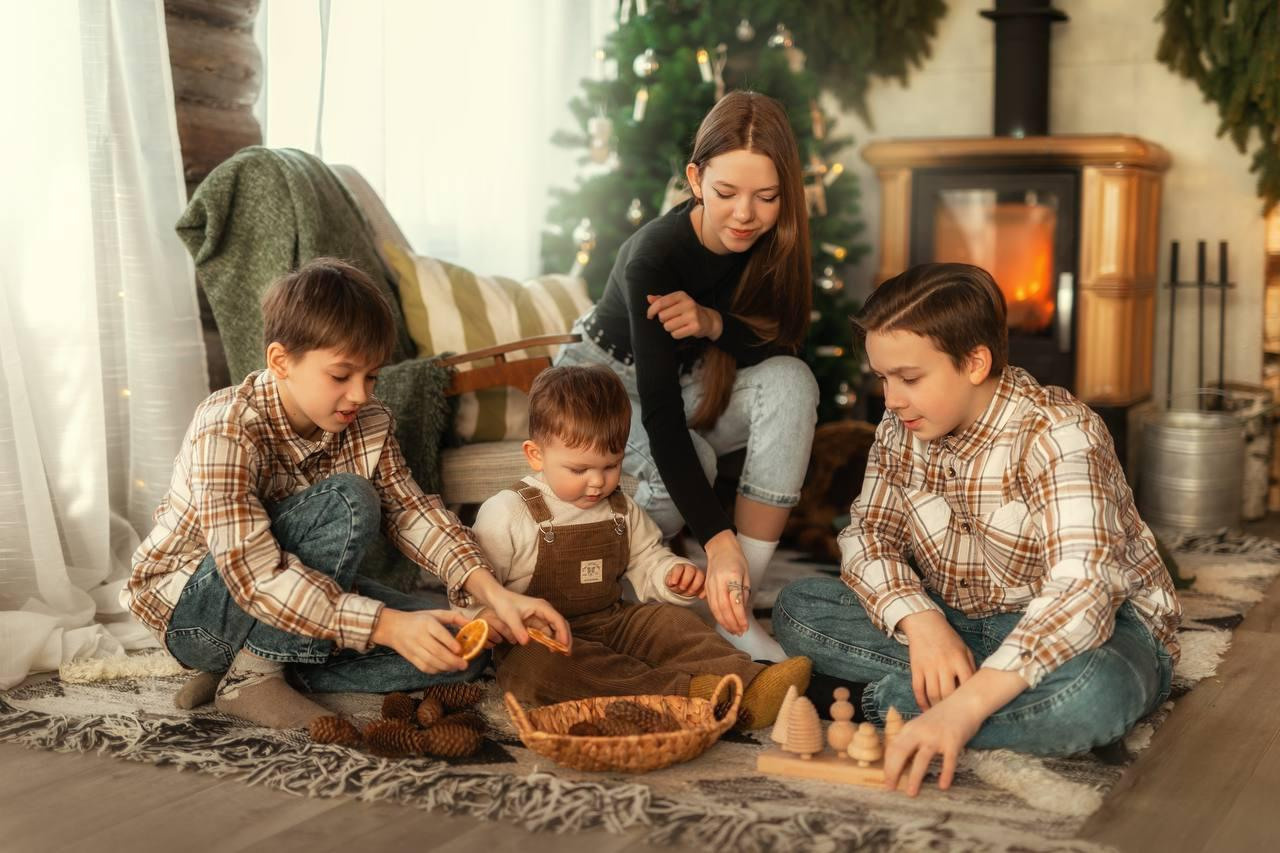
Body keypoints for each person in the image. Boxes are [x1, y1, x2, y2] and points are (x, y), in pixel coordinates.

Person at [772, 263, 1181, 794]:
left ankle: (887, 702)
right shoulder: (901, 426)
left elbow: (1083, 589)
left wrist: (963, 709)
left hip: (1097, 629)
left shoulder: (1059, 431)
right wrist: (923, 624)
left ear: (974, 363)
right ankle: (984, 689)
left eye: (909, 378)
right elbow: (868, 535)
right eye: (883, 378)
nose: (891, 399)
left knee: (1095, 695)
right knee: (797, 609)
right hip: (959, 622)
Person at [123, 258, 570, 729]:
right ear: (281, 362)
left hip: (284, 598)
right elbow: (251, 575)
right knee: (348, 499)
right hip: (196, 609)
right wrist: (384, 625)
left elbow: (412, 513)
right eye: (341, 376)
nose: (360, 394)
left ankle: (253, 666)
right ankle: (252, 676)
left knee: (459, 644)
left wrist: (493, 594)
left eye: (371, 376)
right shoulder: (227, 426)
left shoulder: (368, 421)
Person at [555, 90, 818, 662]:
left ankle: (733, 609)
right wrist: (717, 539)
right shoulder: (655, 256)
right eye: (726, 193)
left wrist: (713, 322)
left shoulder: (774, 244)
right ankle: (606, 599)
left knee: (792, 382)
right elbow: (660, 414)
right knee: (691, 458)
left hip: (692, 377)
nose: (745, 215)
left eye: (766, 197)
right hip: (603, 384)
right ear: (696, 180)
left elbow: (781, 344)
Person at [466, 365, 812, 729]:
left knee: (673, 622)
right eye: (579, 470)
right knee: (539, 671)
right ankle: (692, 694)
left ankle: (750, 679)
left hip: (612, 620)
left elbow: (648, 557)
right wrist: (484, 618)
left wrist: (670, 574)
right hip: (540, 639)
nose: (597, 482)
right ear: (535, 455)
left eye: (611, 465)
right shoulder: (508, 511)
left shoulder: (621, 508)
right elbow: (473, 586)